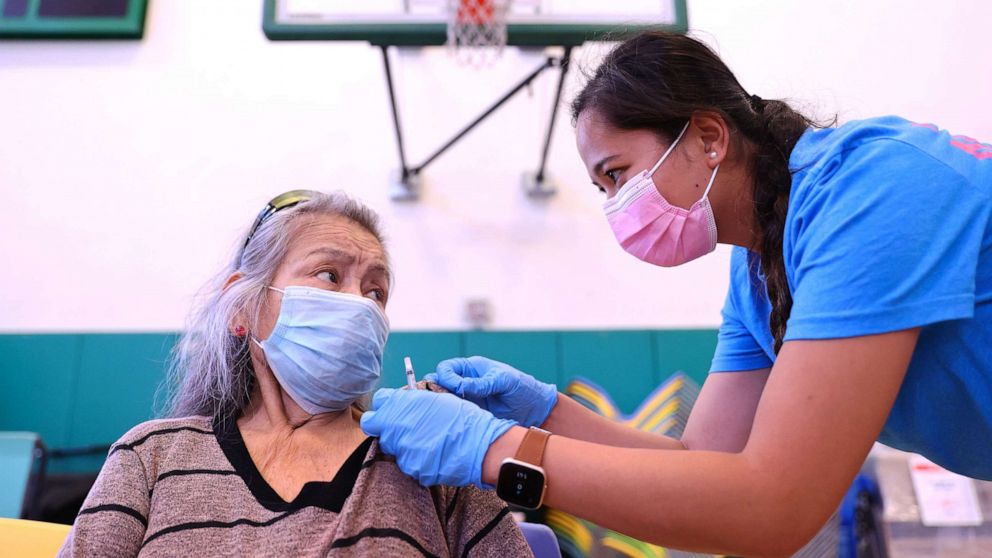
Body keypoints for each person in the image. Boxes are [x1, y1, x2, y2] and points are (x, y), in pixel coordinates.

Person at [359, 31, 992, 556]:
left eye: (618, 175)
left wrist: (496, 451)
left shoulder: (866, 194)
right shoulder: (759, 274)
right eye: (601, 189)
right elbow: (703, 462)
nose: (614, 208)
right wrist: (546, 414)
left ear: (709, 138)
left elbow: (772, 506)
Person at [59, 191, 532, 557]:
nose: (360, 304)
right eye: (329, 275)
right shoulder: (152, 457)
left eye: (376, 291)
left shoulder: (433, 463)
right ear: (242, 305)